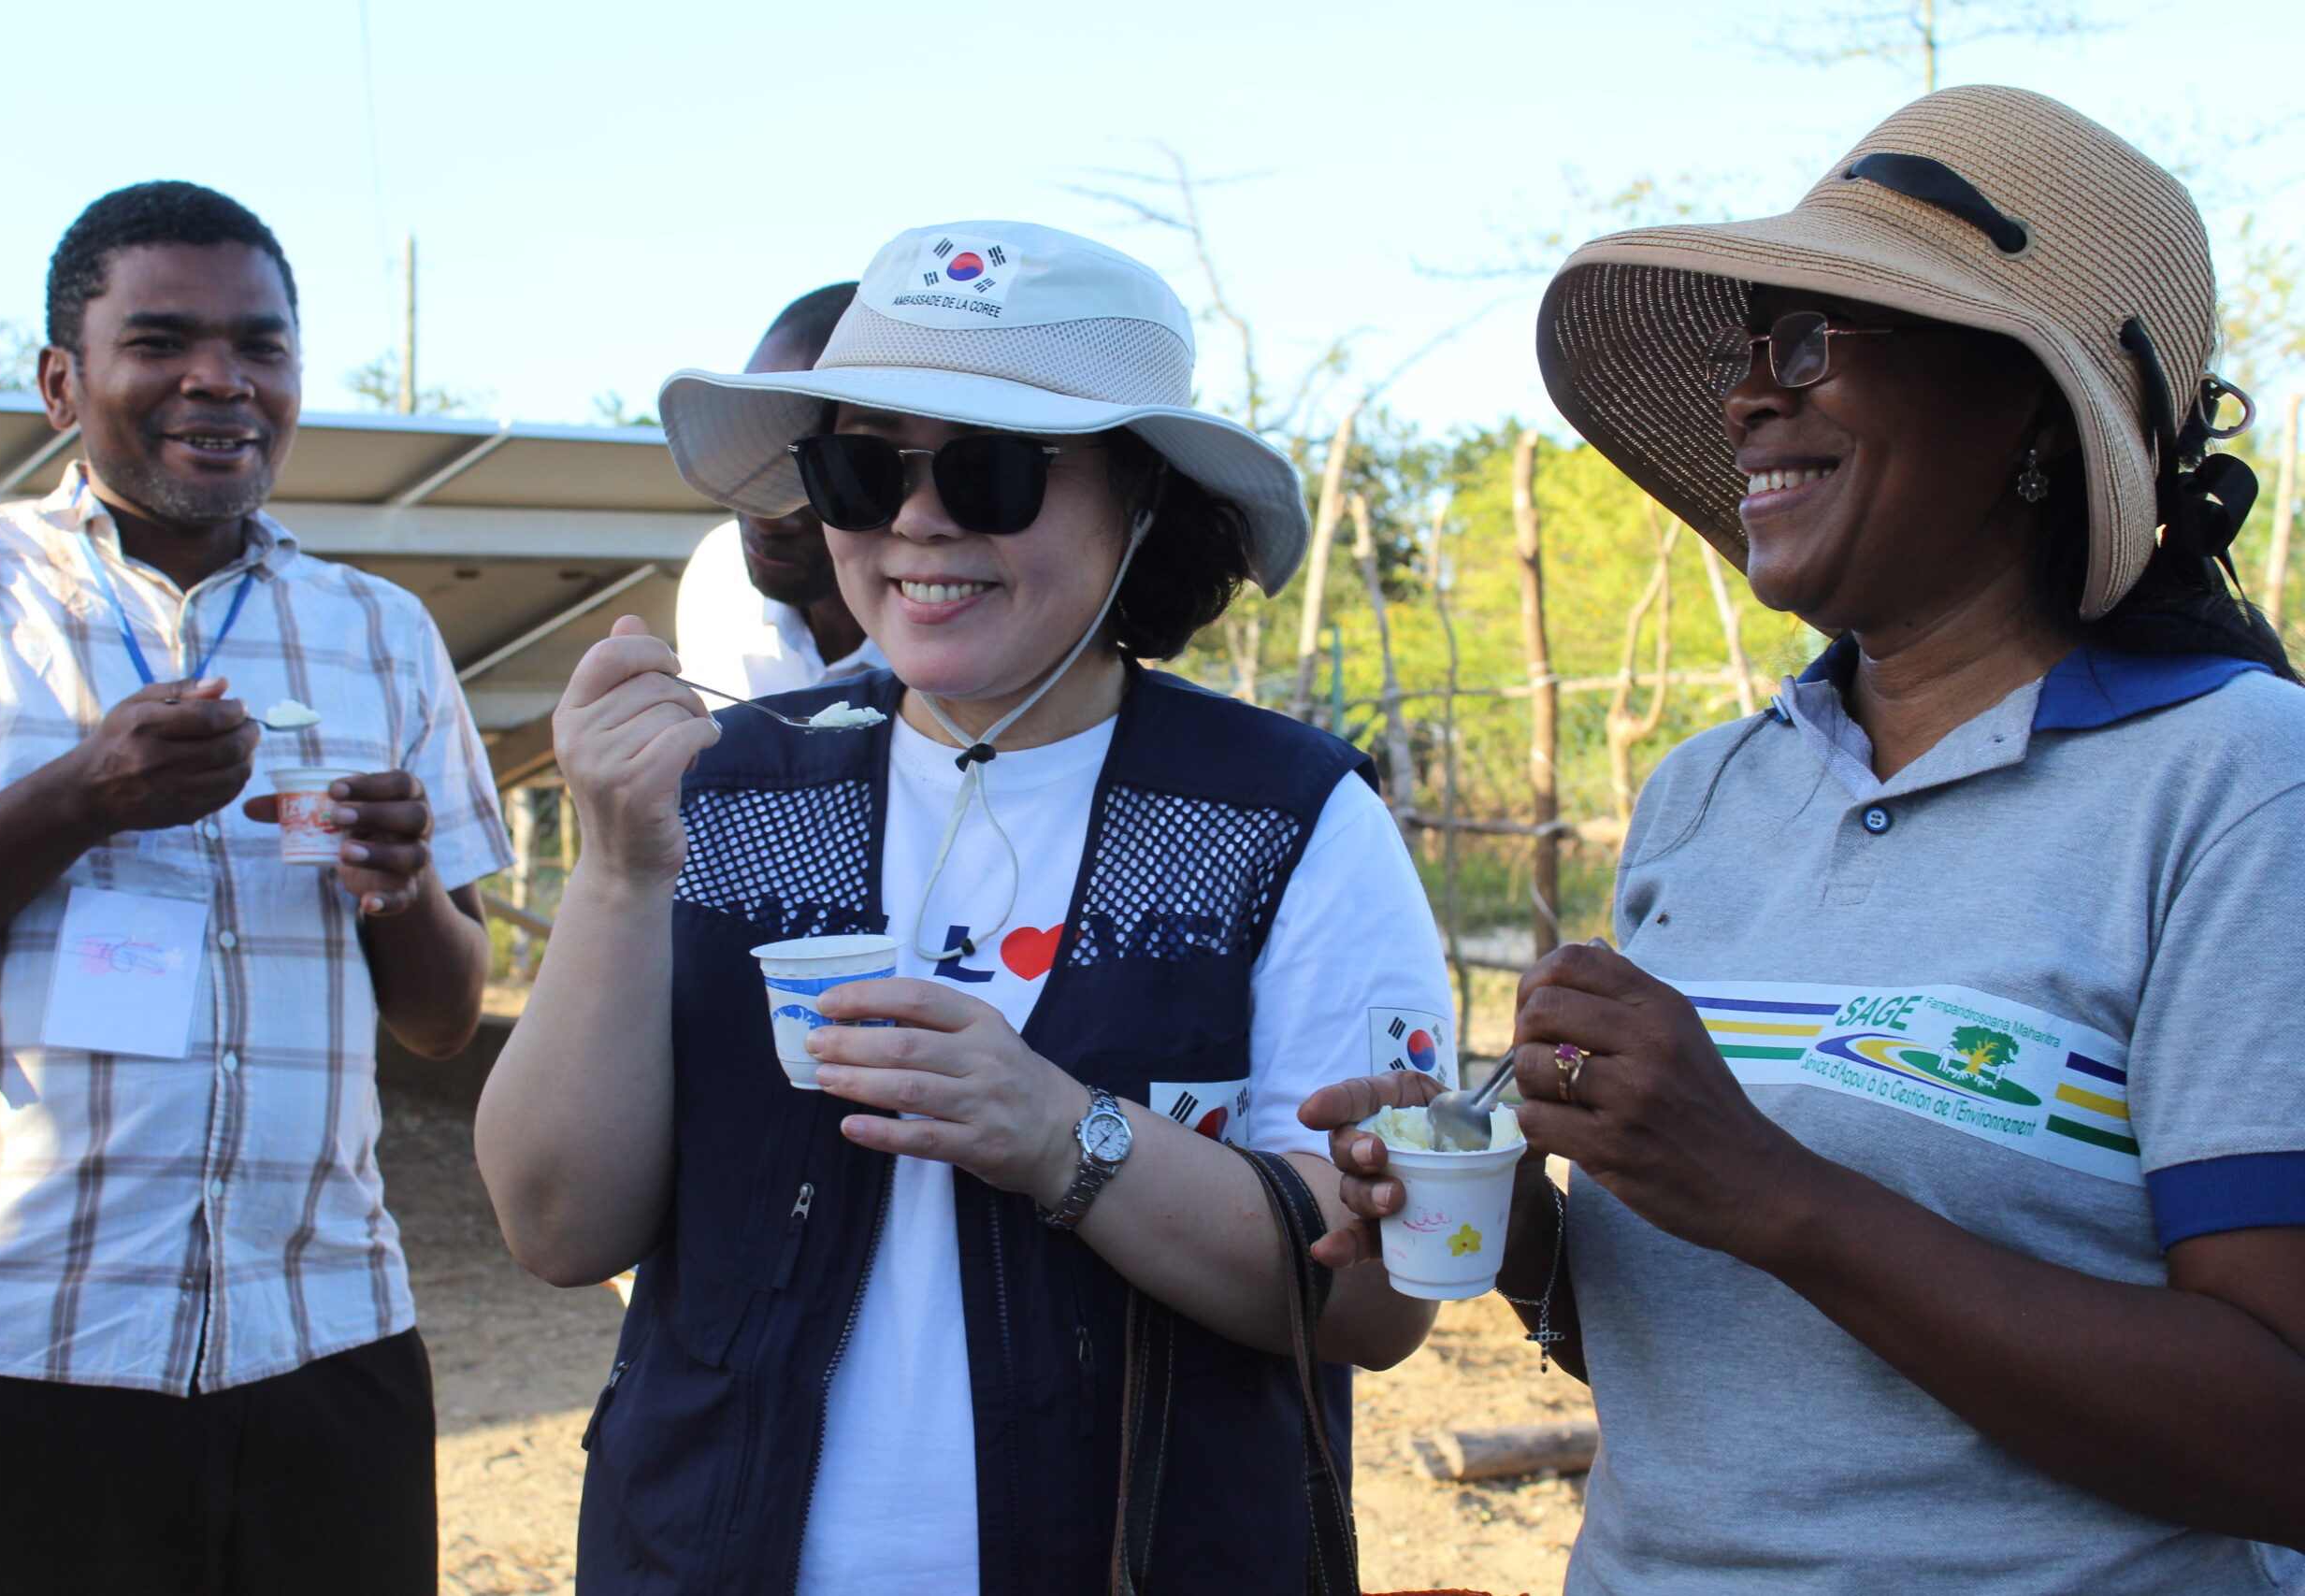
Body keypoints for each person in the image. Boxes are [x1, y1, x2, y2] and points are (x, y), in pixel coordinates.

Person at [1309, 86, 2305, 1594]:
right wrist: (1513, 1222)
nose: (1748, 398)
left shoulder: (2237, 788)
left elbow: (2277, 1435)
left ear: (2035, 405)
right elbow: (1724, 1368)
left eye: (1815, 341)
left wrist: (1772, 1187)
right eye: (1747, 348)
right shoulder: (1713, 791)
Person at [476, 221, 1456, 1594]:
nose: (917, 522)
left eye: (995, 471)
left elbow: (1381, 1295)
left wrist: (1068, 1138)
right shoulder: (724, 784)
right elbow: (557, 1227)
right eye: (860, 469)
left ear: (1144, 500)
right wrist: (620, 868)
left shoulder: (1285, 821)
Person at [0, 181, 510, 1596]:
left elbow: (443, 1017)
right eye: (163, 339)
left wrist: (401, 886)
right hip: (20, 1339)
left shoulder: (383, 630)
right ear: (63, 380)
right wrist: (73, 800)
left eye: (263, 346)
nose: (220, 381)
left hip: (328, 1340)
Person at [672, 282, 886, 696]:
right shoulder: (719, 575)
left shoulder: (970, 638)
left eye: (827, 466)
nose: (767, 516)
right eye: (753, 444)